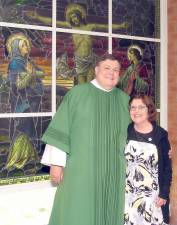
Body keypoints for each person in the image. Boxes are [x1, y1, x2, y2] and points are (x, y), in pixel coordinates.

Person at [41, 54, 131, 225]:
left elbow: (140, 129)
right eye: (107, 68)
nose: (111, 73)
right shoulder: (77, 94)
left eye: (116, 70)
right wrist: (56, 164)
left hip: (114, 171)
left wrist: (159, 147)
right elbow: (61, 128)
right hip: (81, 170)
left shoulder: (125, 100)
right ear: (96, 70)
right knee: (76, 211)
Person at [26, 3, 129, 84]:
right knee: (82, 85)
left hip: (90, 60)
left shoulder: (90, 27)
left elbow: (105, 27)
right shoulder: (72, 28)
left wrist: (120, 26)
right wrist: (37, 17)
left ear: (80, 16)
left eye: (75, 17)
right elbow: (54, 22)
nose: (74, 19)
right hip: (79, 60)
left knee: (90, 84)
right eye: (72, 18)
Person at [124, 94, 172, 225]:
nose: (136, 111)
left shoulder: (161, 135)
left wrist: (164, 194)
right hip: (128, 196)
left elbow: (167, 168)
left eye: (141, 107)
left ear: (149, 110)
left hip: (153, 198)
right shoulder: (126, 132)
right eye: (133, 107)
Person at [4, 33, 45, 171]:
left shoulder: (28, 62)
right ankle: (18, 159)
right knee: (23, 128)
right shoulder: (15, 63)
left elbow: (42, 73)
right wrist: (29, 74)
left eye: (27, 44)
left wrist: (32, 73)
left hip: (32, 100)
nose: (27, 46)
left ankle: (29, 157)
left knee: (30, 128)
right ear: (16, 49)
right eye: (23, 45)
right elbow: (18, 86)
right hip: (21, 102)